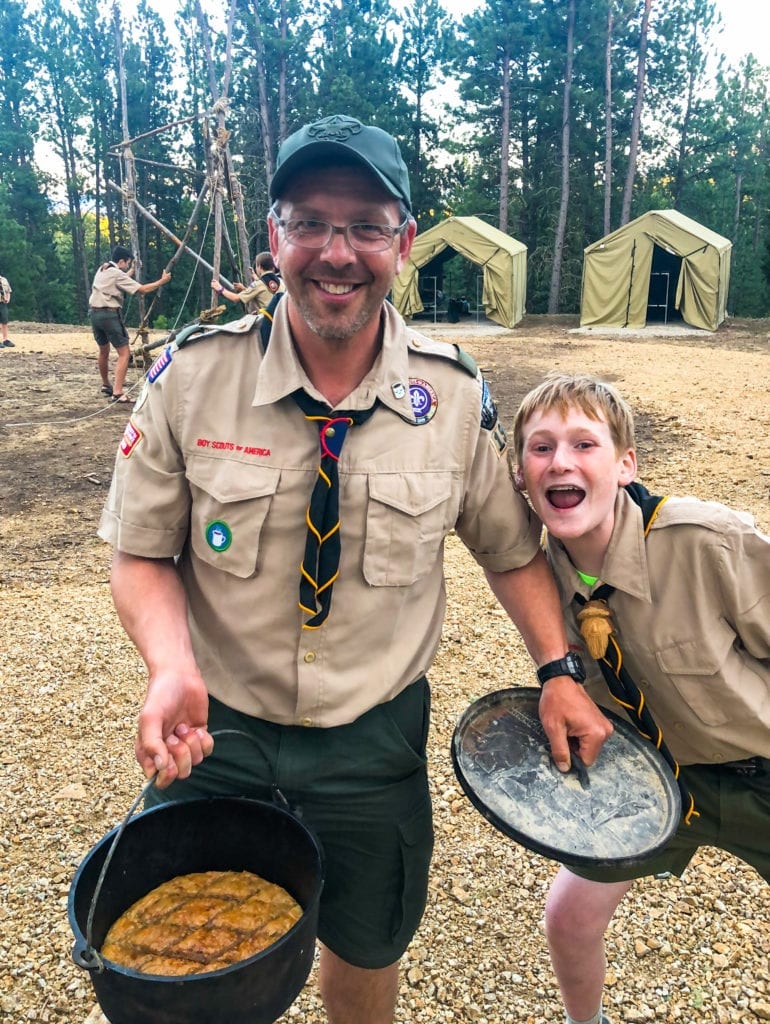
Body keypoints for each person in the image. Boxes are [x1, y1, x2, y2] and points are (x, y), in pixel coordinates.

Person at [97, 115, 609, 1024]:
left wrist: (560, 670)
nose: (338, 253)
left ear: (404, 243)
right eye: (310, 223)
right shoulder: (190, 380)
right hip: (217, 733)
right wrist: (170, 666)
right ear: (274, 238)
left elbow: (511, 549)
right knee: (186, 964)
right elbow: (140, 549)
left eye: (367, 226)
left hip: (376, 740)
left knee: (367, 940)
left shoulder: (449, 398)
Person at [512, 372, 770, 1024]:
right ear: (520, 476)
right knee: (569, 917)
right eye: (540, 448)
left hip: (762, 770)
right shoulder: (539, 585)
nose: (560, 461)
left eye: (583, 444)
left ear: (626, 464)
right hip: (651, 777)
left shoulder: (705, 543)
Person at [88, 245, 171, 403]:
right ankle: (118, 393)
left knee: (103, 351)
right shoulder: (116, 273)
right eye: (127, 263)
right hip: (109, 314)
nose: (127, 266)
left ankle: (106, 384)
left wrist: (132, 269)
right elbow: (142, 290)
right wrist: (162, 281)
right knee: (124, 353)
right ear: (121, 261)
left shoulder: (103, 269)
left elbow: (121, 278)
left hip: (94, 313)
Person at [212, 250, 284, 312]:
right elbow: (265, 290)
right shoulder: (282, 281)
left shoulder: (257, 285)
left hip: (269, 322)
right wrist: (244, 289)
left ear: (259, 266)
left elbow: (236, 298)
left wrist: (220, 288)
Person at [0, 271, 13, 347]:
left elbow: (8, 291)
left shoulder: (4, 280)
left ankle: (5, 340)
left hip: (3, 303)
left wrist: (8, 298)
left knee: (4, 322)